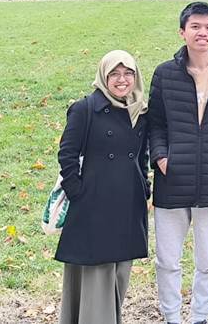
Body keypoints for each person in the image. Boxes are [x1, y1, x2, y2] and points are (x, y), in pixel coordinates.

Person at [147, 2, 208, 324]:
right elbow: (156, 122)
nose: (203, 33)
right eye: (196, 27)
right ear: (183, 32)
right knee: (168, 260)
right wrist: (161, 156)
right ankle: (172, 316)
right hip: (172, 178)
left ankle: (200, 315)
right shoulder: (165, 73)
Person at [55, 50, 150, 324]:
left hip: (128, 203)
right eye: (115, 74)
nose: (122, 80)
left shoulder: (140, 111)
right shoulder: (85, 109)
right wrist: (79, 192)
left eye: (128, 73)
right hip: (94, 203)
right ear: (103, 77)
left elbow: (141, 154)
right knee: (97, 274)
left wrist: (144, 185)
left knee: (120, 272)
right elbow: (67, 154)